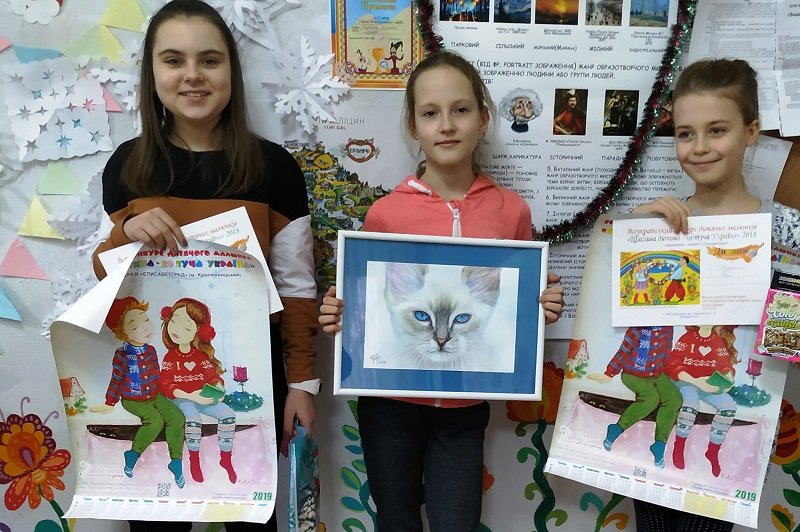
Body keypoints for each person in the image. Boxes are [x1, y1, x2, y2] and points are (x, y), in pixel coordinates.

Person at [90, 1, 319, 530]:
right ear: (152, 75)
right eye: (174, 60)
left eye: (209, 60)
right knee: (158, 516)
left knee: (248, 514)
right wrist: (125, 233)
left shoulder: (275, 169)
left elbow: (297, 287)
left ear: (231, 72)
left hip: (250, 382)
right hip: (152, 384)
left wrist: (303, 385)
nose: (192, 74)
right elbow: (106, 283)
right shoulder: (127, 166)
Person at [318, 51, 565, 531]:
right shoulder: (386, 214)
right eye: (430, 113)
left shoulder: (510, 211)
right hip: (389, 405)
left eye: (461, 110)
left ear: (483, 119)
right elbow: (367, 311)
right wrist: (340, 315)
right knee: (396, 520)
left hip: (465, 406)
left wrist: (542, 307)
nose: (447, 125)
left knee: (457, 521)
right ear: (414, 126)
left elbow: (516, 307)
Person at [630, 58, 800, 531]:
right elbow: (622, 324)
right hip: (662, 413)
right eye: (686, 134)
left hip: (736, 415)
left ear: (751, 132)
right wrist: (632, 233)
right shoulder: (656, 225)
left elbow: (788, 338)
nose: (700, 147)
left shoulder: (787, 231)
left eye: (717, 130)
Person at [92, 296, 186, 487]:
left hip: (155, 394)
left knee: (177, 417)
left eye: (146, 320)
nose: (145, 328)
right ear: (123, 333)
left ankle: (176, 461)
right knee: (155, 421)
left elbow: (158, 374)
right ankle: (133, 454)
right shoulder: (122, 355)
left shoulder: (151, 350)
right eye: (135, 326)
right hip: (133, 399)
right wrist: (110, 402)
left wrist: (170, 392)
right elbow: (116, 379)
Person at [160, 298, 238, 484]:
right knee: (193, 419)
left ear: (198, 332)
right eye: (174, 321)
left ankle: (225, 458)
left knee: (228, 414)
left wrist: (218, 388)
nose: (177, 330)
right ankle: (194, 461)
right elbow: (166, 383)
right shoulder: (170, 357)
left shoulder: (200, 356)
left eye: (186, 327)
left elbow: (212, 376)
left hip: (202, 397)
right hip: (181, 398)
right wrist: (189, 395)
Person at [588, 326, 681, 469]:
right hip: (633, 374)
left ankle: (659, 444)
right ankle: (617, 428)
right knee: (651, 399)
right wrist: (609, 373)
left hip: (658, 373)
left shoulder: (667, 328)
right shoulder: (637, 330)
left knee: (674, 400)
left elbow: (668, 349)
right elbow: (623, 352)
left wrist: (670, 372)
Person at [666, 325, 738, 478]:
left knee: (729, 406)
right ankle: (679, 446)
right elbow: (673, 364)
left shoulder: (717, 341)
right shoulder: (687, 338)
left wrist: (727, 379)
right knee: (691, 404)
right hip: (686, 382)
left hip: (708, 385)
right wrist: (696, 381)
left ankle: (713, 451)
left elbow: (725, 365)